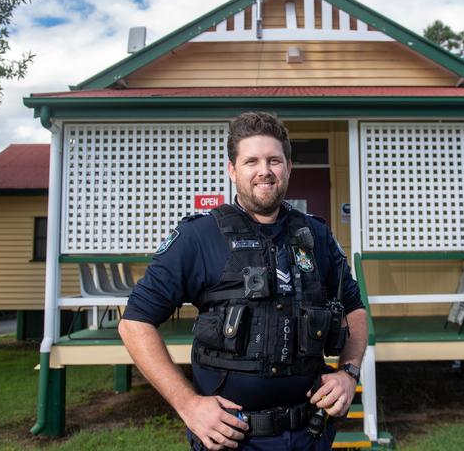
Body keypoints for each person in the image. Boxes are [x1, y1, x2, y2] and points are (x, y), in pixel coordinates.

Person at [119, 112, 368, 450]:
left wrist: (347, 373)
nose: (264, 170)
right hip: (231, 439)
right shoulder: (198, 237)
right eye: (251, 161)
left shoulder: (316, 235)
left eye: (274, 160)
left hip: (310, 434)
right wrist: (187, 404)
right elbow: (134, 323)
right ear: (232, 170)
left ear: (288, 168)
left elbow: (355, 310)